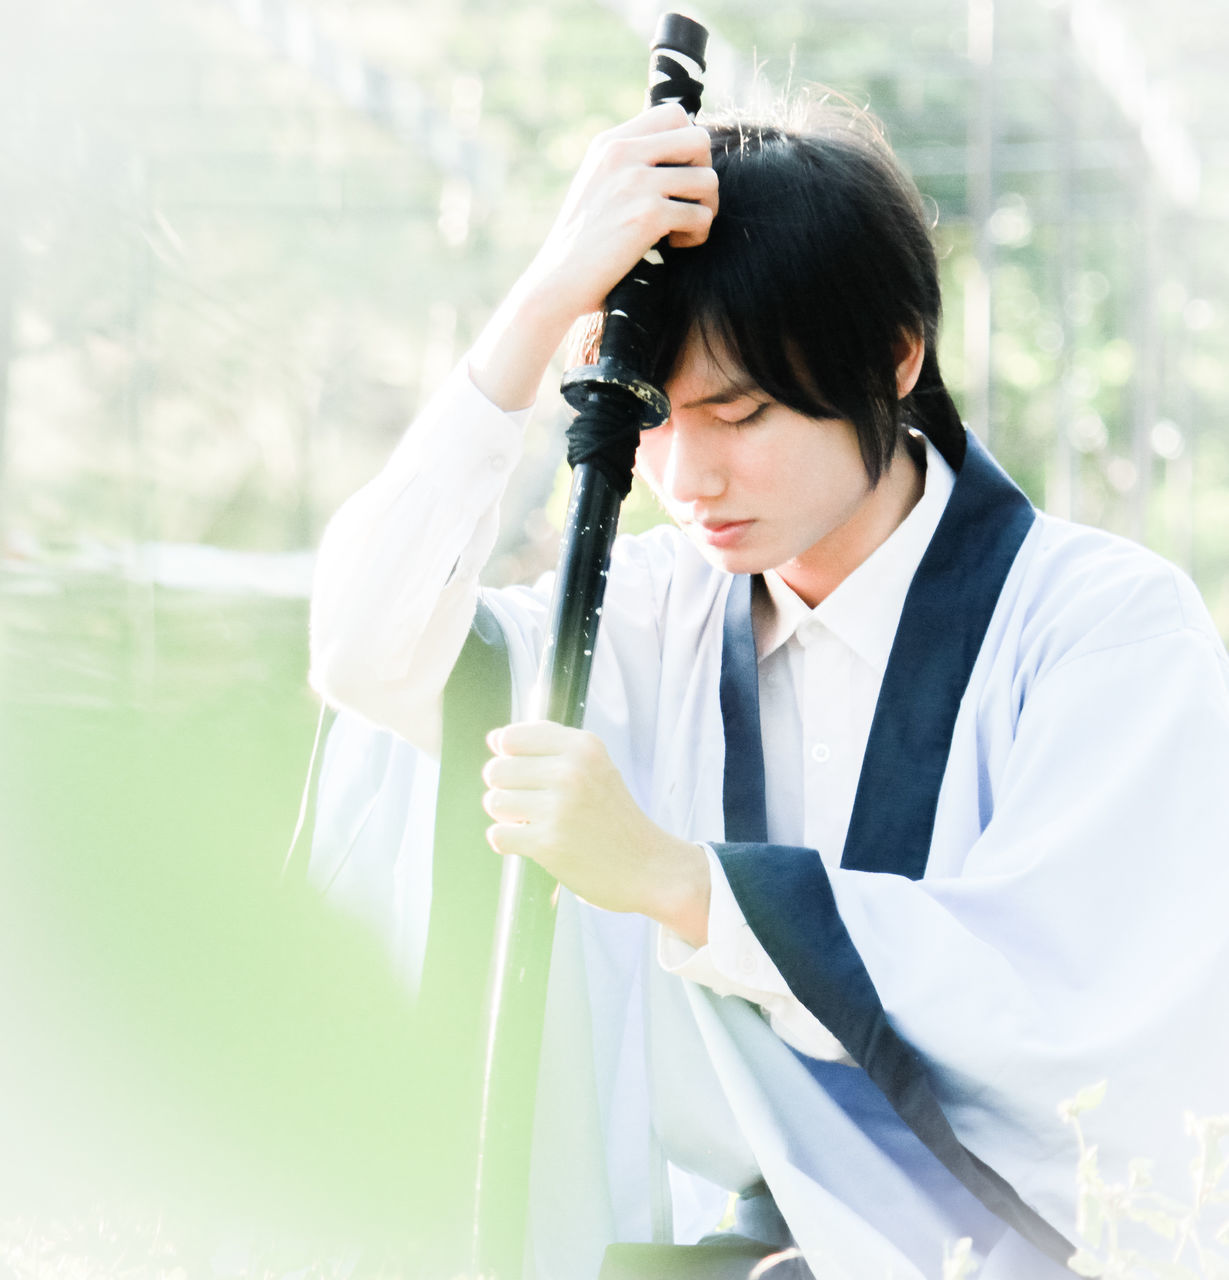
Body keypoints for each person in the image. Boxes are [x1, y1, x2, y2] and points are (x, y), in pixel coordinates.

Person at [307, 99, 1229, 1279]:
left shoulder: (1098, 630)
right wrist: (543, 299)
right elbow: (367, 653)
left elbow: (1093, 1020)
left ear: (895, 357)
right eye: (658, 420)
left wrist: (681, 882)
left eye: (738, 413)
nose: (689, 475)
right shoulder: (646, 608)